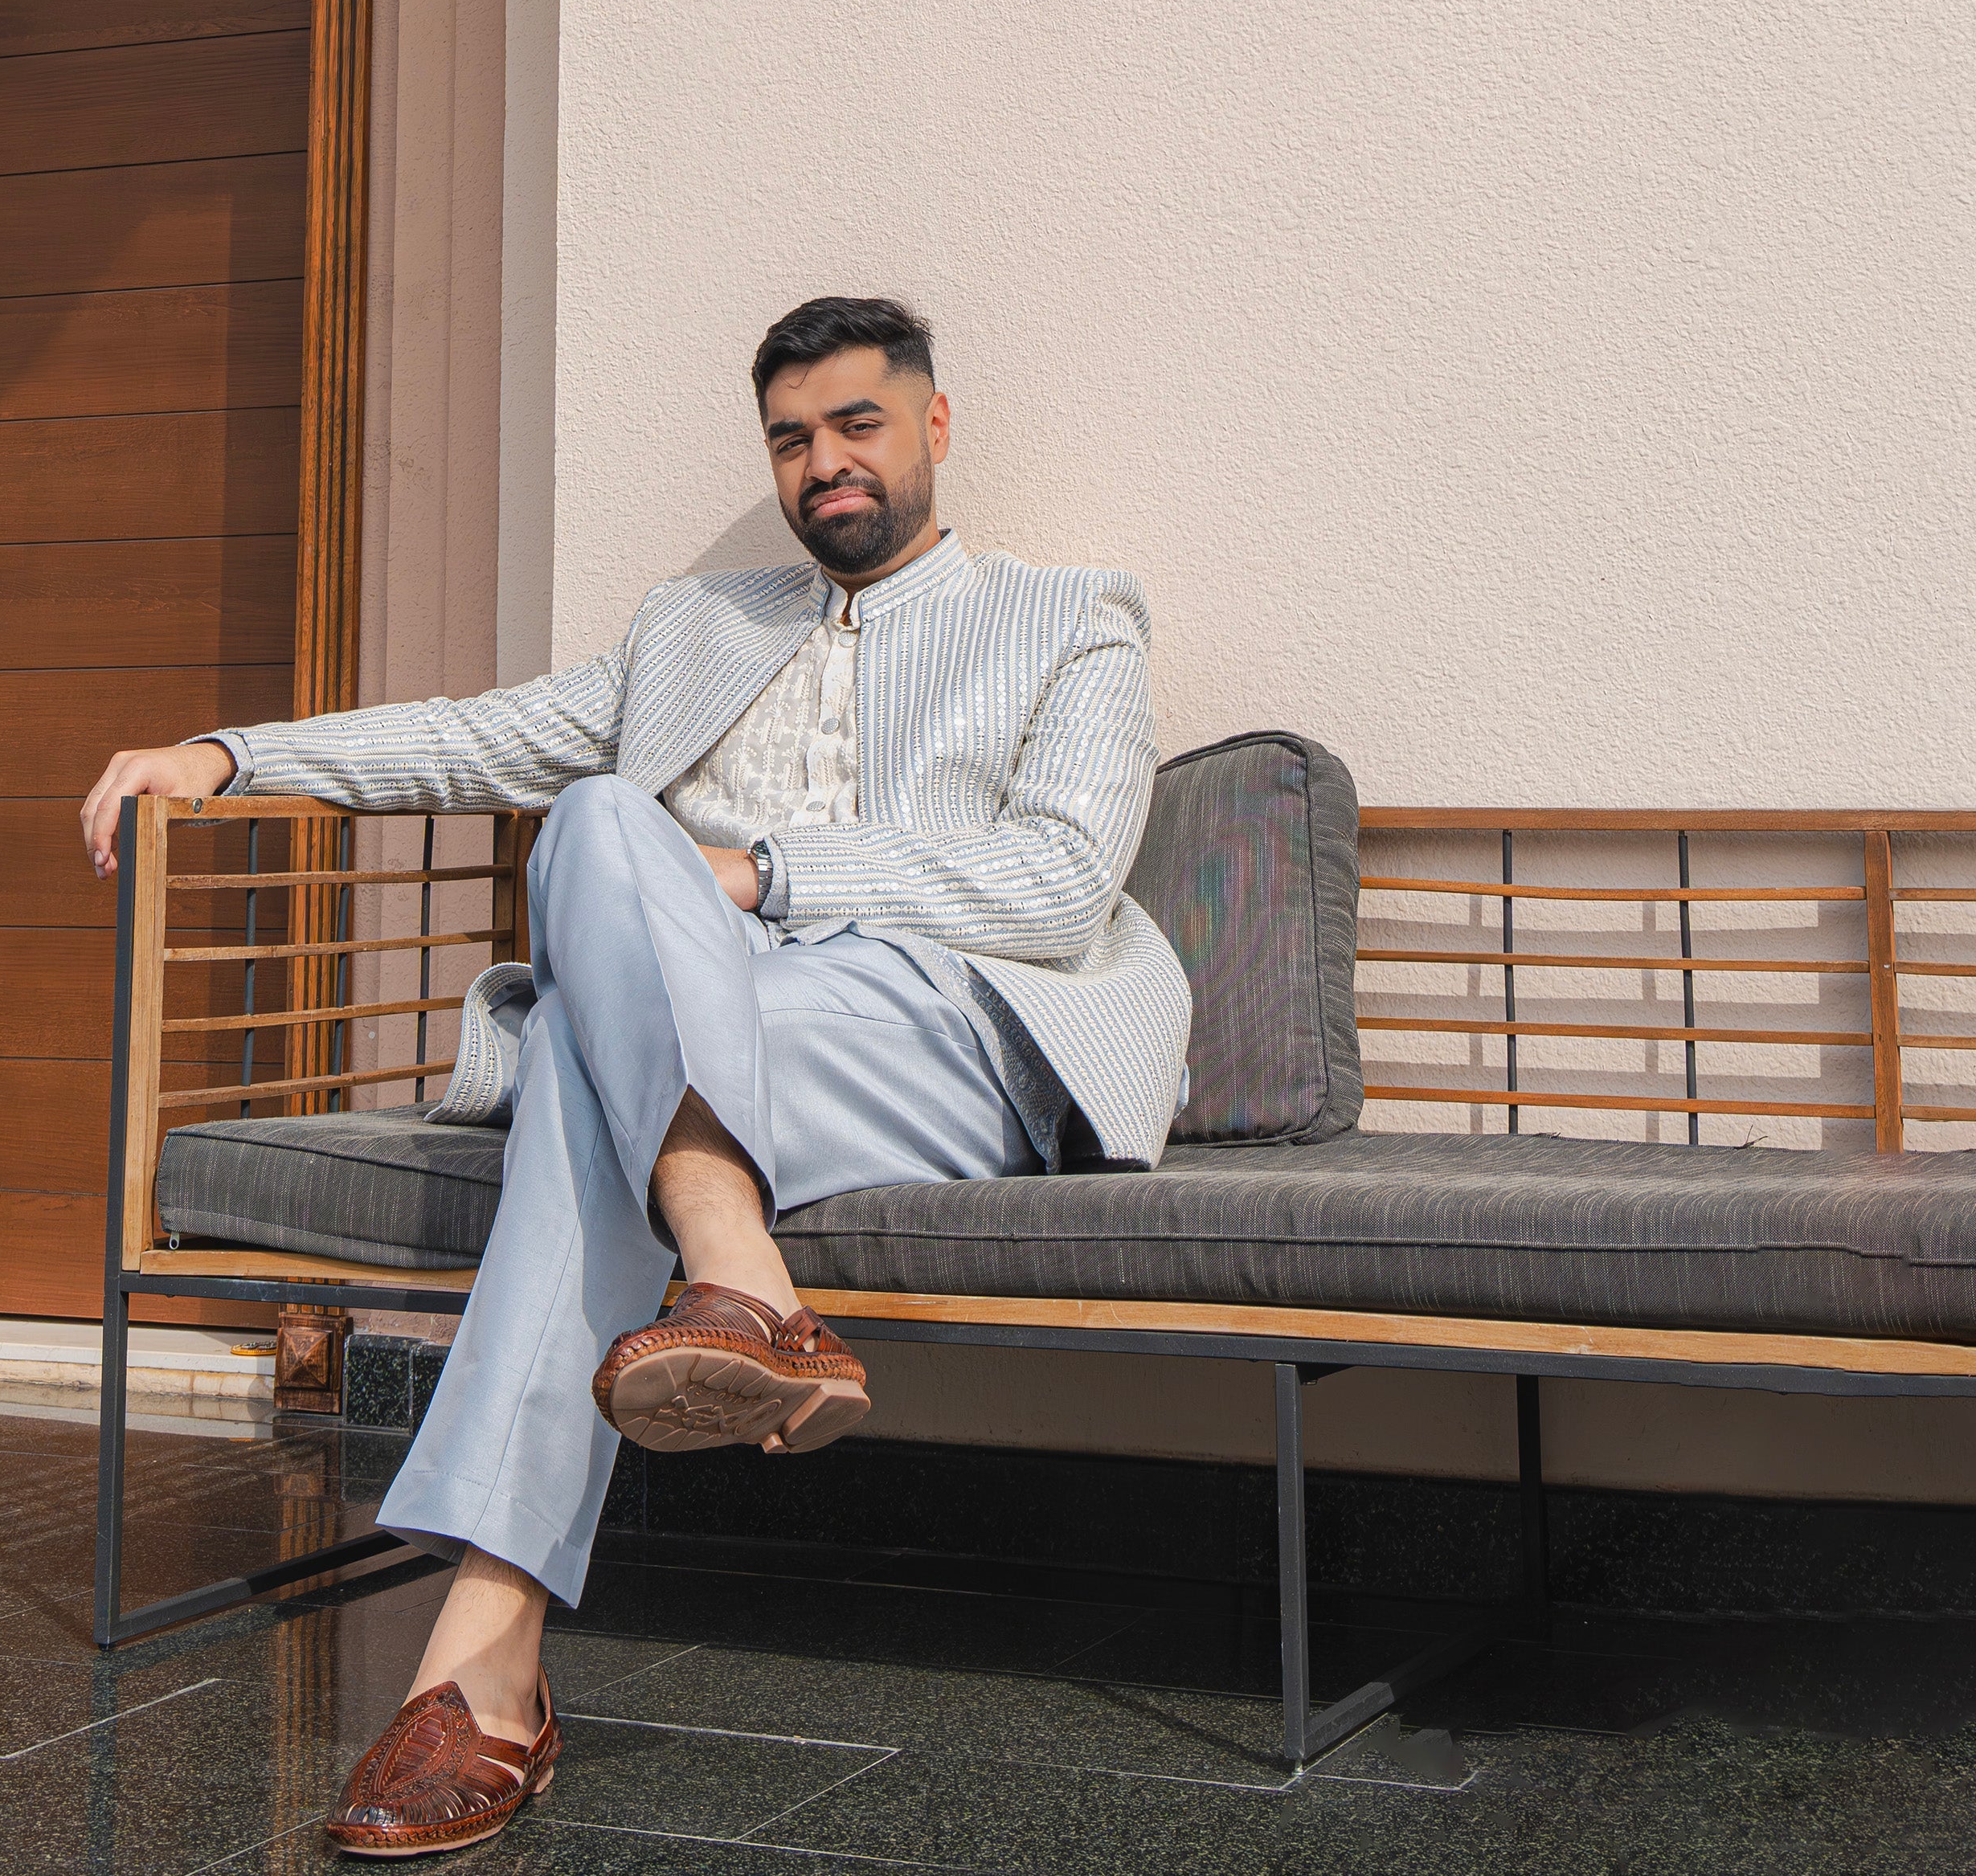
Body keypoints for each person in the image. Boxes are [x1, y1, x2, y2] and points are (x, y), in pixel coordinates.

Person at [80, 292, 1188, 1859]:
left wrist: (760, 876)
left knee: (585, 1056)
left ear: (933, 426)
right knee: (599, 819)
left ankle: (492, 1664)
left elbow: (1059, 882)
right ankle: (721, 1290)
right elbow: (472, 739)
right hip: (705, 1024)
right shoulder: (694, 628)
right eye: (790, 439)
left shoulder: (1067, 617)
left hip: (936, 1028)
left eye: (856, 423)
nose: (824, 463)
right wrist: (232, 755)